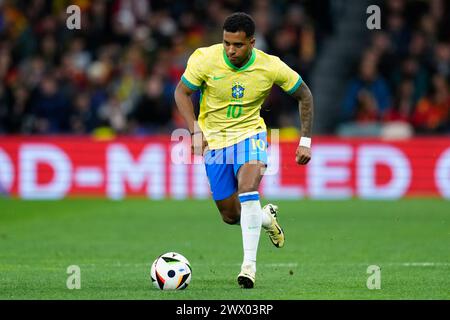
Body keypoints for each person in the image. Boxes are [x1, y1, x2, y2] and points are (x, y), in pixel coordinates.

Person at [174, 12, 314, 289]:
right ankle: (264, 217)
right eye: (226, 43)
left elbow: (305, 95)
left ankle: (248, 267)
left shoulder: (270, 66)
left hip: (250, 135)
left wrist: (305, 141)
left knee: (248, 188)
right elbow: (181, 92)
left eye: (237, 45)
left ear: (252, 42)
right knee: (230, 215)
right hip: (214, 141)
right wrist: (195, 130)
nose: (230, 50)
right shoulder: (204, 59)